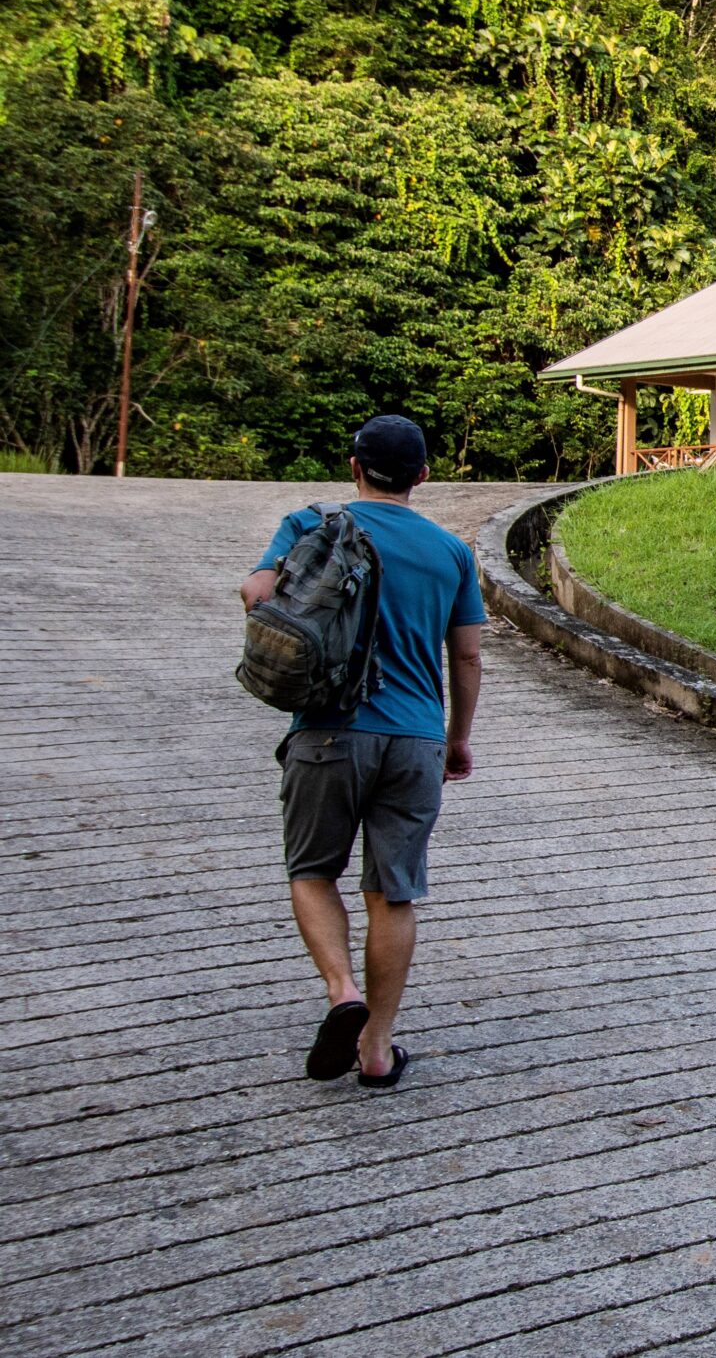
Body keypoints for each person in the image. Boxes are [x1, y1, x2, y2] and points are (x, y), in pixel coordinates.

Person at [240, 414, 483, 1090]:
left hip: (327, 729)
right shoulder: (451, 551)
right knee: (393, 891)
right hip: (415, 740)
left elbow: (257, 594)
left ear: (354, 466)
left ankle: (342, 988)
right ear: (423, 476)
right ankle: (377, 1047)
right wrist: (457, 737)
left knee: (313, 869)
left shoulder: (313, 525)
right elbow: (465, 653)